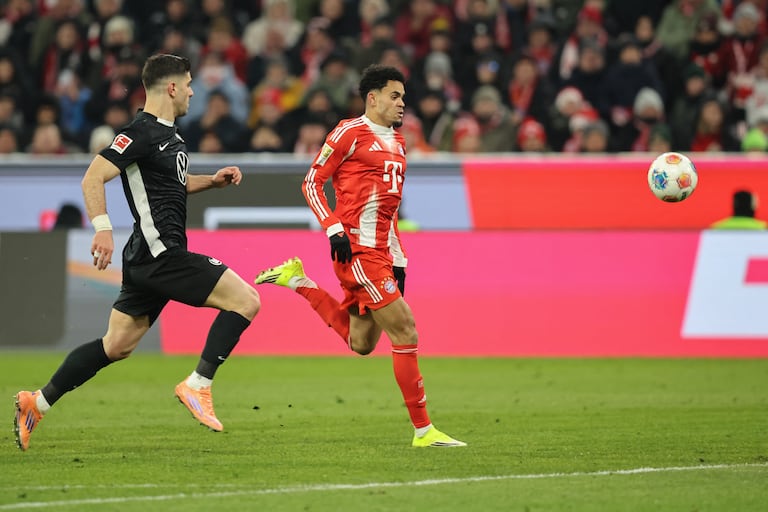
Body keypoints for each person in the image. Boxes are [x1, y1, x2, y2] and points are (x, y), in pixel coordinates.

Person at [13, 54, 261, 451]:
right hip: (160, 253)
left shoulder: (172, 136)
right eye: (190, 83)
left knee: (117, 345)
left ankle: (36, 403)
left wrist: (211, 182)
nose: (194, 91)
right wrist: (102, 229)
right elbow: (94, 176)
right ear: (172, 87)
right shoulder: (140, 132)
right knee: (246, 300)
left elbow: (170, 186)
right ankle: (198, 384)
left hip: (148, 256)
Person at [254, 64, 465, 448]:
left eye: (404, 96)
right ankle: (424, 431)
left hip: (384, 251)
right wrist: (333, 228)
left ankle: (297, 280)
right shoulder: (349, 132)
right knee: (406, 330)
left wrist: (399, 258)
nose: (402, 103)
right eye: (395, 95)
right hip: (356, 248)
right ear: (373, 97)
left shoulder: (399, 143)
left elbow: (389, 208)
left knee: (362, 342)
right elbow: (311, 182)